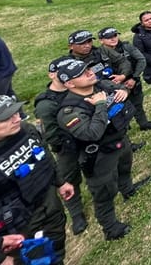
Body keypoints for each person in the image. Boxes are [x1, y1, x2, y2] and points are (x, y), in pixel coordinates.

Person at [0, 95, 74, 262]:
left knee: (56, 251)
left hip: (49, 207)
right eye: (5, 119)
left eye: (15, 113)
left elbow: (44, 155)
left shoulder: (25, 130)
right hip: (17, 232)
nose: (16, 119)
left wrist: (60, 182)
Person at [55, 59, 151, 240]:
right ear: (69, 83)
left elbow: (120, 88)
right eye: (82, 73)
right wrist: (100, 105)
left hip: (119, 140)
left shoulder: (100, 85)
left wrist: (123, 90)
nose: (90, 72)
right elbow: (91, 134)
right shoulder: (69, 111)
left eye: (87, 69)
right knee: (104, 192)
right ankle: (110, 228)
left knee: (125, 168)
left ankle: (128, 190)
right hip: (99, 154)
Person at [33, 57, 91, 236]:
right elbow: (50, 134)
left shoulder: (77, 88)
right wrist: (64, 146)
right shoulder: (45, 103)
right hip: (67, 147)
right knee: (69, 179)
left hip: (88, 137)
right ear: (52, 75)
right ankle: (76, 214)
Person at [98, 27, 151, 131]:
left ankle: (143, 123)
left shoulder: (127, 47)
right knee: (116, 107)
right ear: (101, 40)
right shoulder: (98, 54)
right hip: (111, 85)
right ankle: (124, 127)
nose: (113, 39)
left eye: (115, 36)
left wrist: (134, 78)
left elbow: (141, 60)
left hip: (132, 80)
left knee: (138, 103)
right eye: (109, 38)